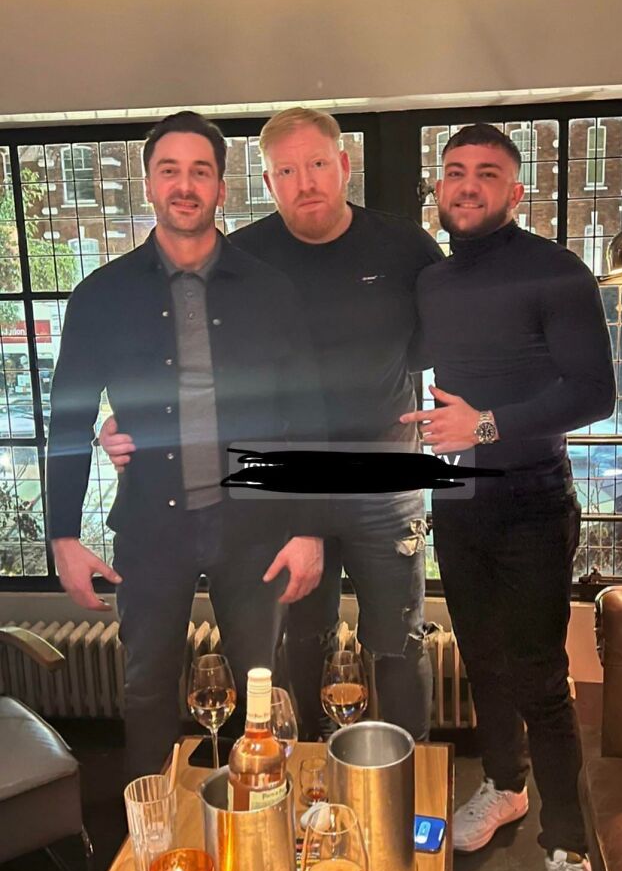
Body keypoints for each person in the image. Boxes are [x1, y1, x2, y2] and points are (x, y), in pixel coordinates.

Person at [101, 107, 444, 743]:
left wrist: (469, 417)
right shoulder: (243, 257)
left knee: (398, 642)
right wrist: (129, 419)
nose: (304, 181)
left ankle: (403, 790)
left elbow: (443, 342)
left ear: (343, 166)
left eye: (317, 163)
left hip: (383, 480)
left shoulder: (404, 248)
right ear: (266, 181)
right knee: (296, 646)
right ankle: (307, 780)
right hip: (280, 490)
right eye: (286, 170)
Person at [46, 111, 325, 779]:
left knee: (263, 693)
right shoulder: (100, 296)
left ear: (223, 188)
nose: (185, 184)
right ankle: (152, 856)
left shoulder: (270, 289)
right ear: (147, 185)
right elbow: (68, 419)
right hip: (149, 530)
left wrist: (310, 525)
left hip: (255, 528)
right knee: (145, 692)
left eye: (200, 170)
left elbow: (307, 413)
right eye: (169, 170)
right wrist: (62, 535)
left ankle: (264, 831)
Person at [401, 123, 615, 871]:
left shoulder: (557, 271)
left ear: (515, 191)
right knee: (482, 655)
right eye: (454, 173)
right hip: (458, 496)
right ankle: (503, 784)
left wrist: (484, 423)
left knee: (539, 675)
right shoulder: (433, 280)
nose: (467, 186)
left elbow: (593, 391)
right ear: (440, 187)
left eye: (486, 175)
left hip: (532, 497)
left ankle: (568, 851)